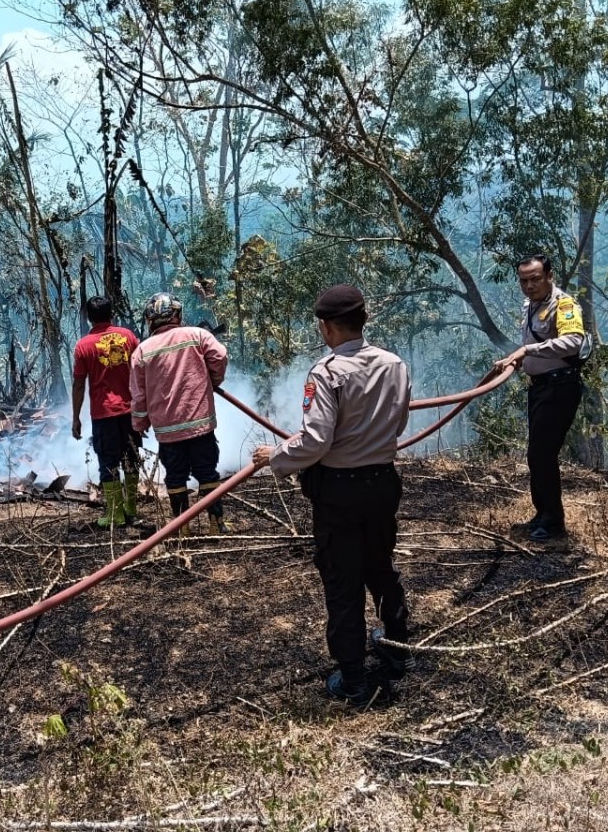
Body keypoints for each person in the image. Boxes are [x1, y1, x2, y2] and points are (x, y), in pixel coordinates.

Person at [252, 284, 413, 709]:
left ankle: (354, 678)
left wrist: (276, 456)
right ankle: (396, 649)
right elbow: (397, 424)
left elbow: (316, 442)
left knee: (342, 581)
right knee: (381, 567)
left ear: (325, 327)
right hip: (382, 484)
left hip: (339, 492)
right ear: (363, 320)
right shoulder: (394, 364)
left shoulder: (326, 373)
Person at [492, 254, 589, 544]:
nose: (529, 285)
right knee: (537, 454)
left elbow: (573, 341)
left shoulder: (565, 305)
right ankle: (543, 513)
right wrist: (515, 359)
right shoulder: (531, 306)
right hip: (540, 387)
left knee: (542, 453)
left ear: (549, 276)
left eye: (535, 279)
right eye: (524, 280)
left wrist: (528, 352)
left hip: (560, 388)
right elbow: (535, 346)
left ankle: (552, 521)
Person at [129, 292, 229, 534]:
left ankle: (182, 527)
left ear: (150, 320)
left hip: (167, 431)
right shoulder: (197, 335)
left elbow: (138, 394)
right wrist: (213, 380)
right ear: (177, 314)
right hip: (200, 424)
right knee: (208, 473)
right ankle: (216, 524)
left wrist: (139, 422)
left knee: (175, 477)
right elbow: (220, 356)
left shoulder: (142, 351)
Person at [71, 296, 142, 528]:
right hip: (130, 411)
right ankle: (131, 508)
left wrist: (76, 418)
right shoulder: (128, 337)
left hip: (104, 414)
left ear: (89, 318)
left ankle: (115, 515)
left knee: (109, 462)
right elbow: (141, 371)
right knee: (131, 458)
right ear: (111, 313)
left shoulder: (83, 346)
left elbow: (79, 384)